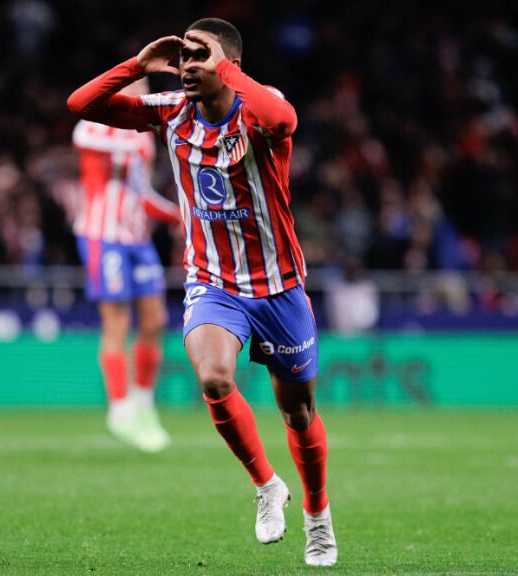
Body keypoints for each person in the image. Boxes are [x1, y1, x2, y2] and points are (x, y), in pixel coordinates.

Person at [68, 17, 337, 567]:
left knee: (300, 413)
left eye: (198, 55)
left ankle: (317, 516)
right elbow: (81, 105)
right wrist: (138, 67)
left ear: (228, 63)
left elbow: (284, 119)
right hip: (213, 282)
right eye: (183, 56)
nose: (187, 64)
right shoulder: (170, 110)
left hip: (279, 286)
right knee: (215, 379)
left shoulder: (260, 106)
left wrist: (226, 66)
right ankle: (266, 486)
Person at [72, 78, 181, 453]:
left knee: (155, 321)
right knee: (116, 320)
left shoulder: (144, 134)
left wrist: (177, 214)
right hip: (103, 236)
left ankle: (143, 404)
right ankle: (119, 410)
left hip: (137, 238)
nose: (142, 94)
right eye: (135, 86)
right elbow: (83, 138)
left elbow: (142, 192)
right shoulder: (93, 123)